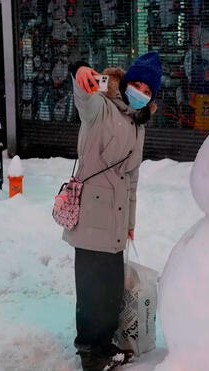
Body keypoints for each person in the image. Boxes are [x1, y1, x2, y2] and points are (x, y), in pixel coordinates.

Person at [63, 51, 162, 371]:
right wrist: (80, 72)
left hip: (117, 217)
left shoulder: (138, 125)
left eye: (148, 91)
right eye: (137, 86)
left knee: (109, 290)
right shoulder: (100, 108)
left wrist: (130, 222)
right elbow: (83, 97)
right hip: (92, 214)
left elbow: (132, 179)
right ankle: (90, 353)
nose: (141, 94)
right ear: (125, 83)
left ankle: (104, 345)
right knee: (92, 288)